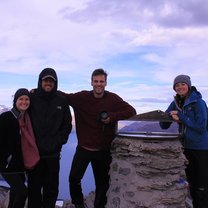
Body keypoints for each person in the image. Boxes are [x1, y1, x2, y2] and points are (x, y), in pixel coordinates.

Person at [62, 68, 136, 208]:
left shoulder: (112, 99)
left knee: (102, 184)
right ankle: (79, 204)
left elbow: (131, 111)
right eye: (96, 81)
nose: (98, 84)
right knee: (73, 179)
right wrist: (39, 91)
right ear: (91, 82)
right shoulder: (82, 97)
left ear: (106, 83)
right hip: (83, 148)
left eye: (101, 81)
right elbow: (64, 97)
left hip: (103, 150)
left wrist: (111, 117)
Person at [160, 74, 208, 208]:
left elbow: (201, 127)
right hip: (186, 147)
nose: (180, 87)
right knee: (191, 184)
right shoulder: (175, 103)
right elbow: (163, 122)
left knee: (201, 187)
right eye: (177, 85)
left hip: (201, 149)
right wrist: (165, 118)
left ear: (188, 85)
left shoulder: (198, 102)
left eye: (182, 84)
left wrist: (180, 116)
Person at [27, 67, 72, 208]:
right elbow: (20, 114)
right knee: (34, 190)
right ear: (40, 81)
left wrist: (59, 142)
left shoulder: (61, 101)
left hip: (53, 155)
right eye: (45, 80)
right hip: (35, 155)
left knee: (51, 190)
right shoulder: (32, 98)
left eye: (51, 81)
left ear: (55, 83)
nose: (48, 83)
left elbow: (67, 124)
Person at [0, 88, 39, 208]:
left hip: (20, 166)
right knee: (23, 192)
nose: (24, 102)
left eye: (27, 99)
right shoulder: (6, 117)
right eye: (21, 99)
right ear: (15, 101)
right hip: (7, 165)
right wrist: (4, 160)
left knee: (15, 193)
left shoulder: (26, 119)